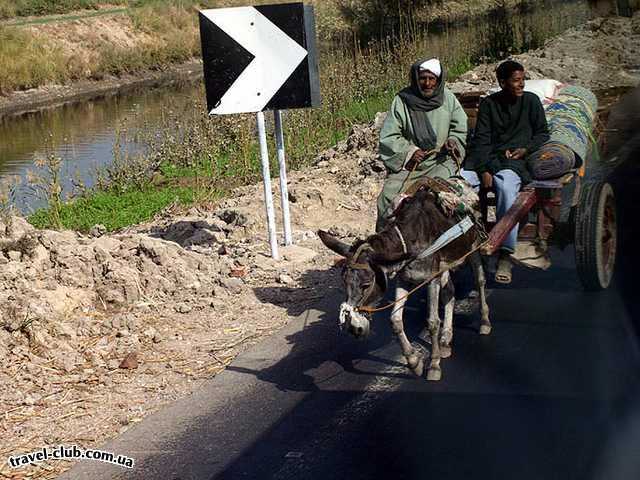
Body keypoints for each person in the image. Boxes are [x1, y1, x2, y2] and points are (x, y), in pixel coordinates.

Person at [462, 60, 550, 284]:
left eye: (523, 80)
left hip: (515, 162)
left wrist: (526, 149)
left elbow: (542, 134)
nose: (521, 85)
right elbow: (481, 141)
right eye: (516, 81)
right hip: (488, 159)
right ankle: (461, 242)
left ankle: (505, 251)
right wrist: (484, 170)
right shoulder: (489, 105)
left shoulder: (531, 101)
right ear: (502, 83)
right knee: (459, 183)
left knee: (505, 186)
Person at [376, 58, 468, 231]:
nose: (427, 83)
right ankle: (387, 243)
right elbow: (389, 136)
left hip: (441, 162)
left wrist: (453, 141)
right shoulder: (403, 100)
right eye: (423, 78)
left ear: (438, 80)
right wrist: (410, 152)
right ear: (415, 79)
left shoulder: (448, 99)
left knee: (438, 195)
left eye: (432, 79)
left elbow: (459, 129)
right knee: (387, 196)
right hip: (413, 165)